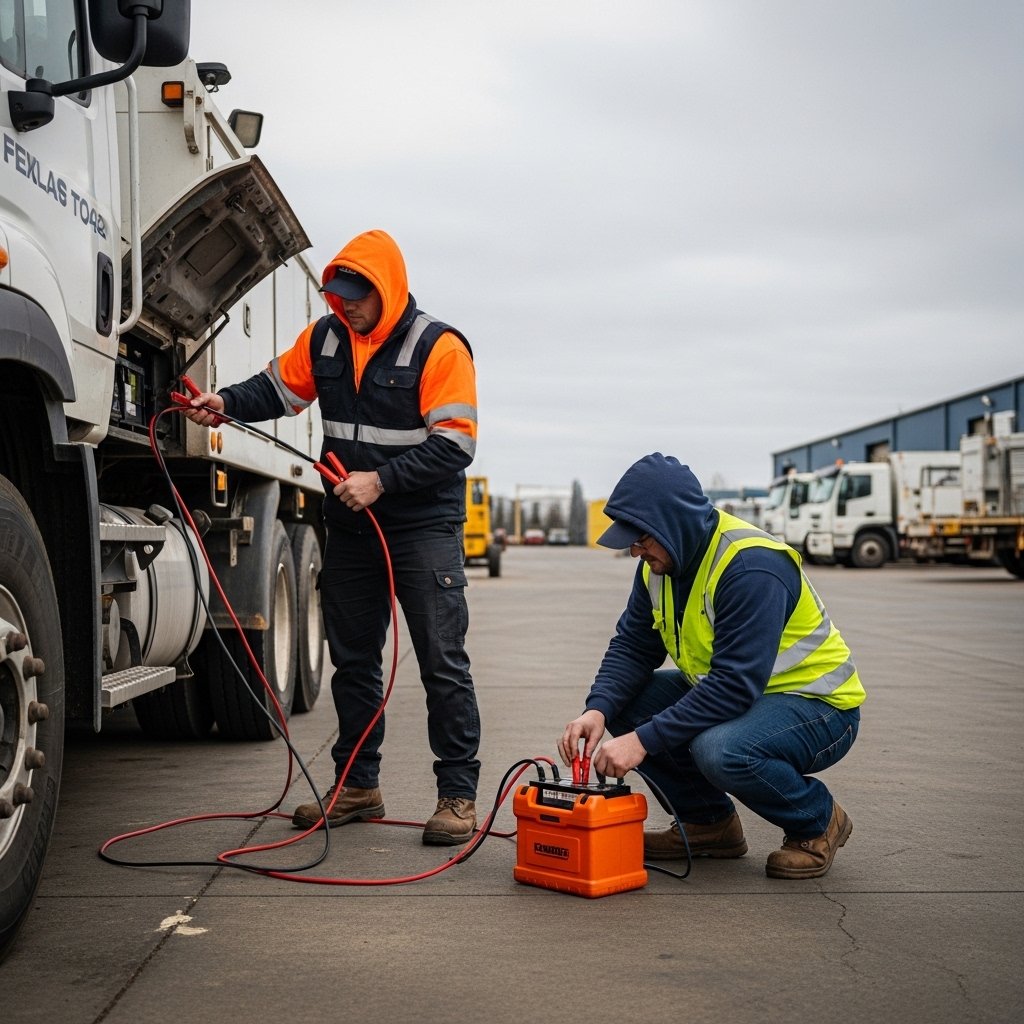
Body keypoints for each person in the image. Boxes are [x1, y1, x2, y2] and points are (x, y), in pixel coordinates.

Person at [184, 229, 481, 845]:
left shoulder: (438, 347)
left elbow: (457, 443)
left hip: (422, 525)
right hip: (350, 525)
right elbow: (279, 389)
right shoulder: (325, 339)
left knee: (442, 663)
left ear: (387, 289)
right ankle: (358, 786)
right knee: (352, 661)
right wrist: (225, 403)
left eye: (357, 296)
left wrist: (383, 481)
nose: (345, 306)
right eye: (338, 295)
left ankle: (457, 795)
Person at [559, 453, 865, 878]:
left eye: (641, 538)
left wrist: (642, 741)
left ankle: (817, 820)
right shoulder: (662, 563)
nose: (633, 550)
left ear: (673, 523)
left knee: (721, 750)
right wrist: (598, 709)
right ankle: (708, 825)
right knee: (627, 704)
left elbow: (734, 686)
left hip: (819, 708)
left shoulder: (751, 566)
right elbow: (633, 644)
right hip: (748, 697)